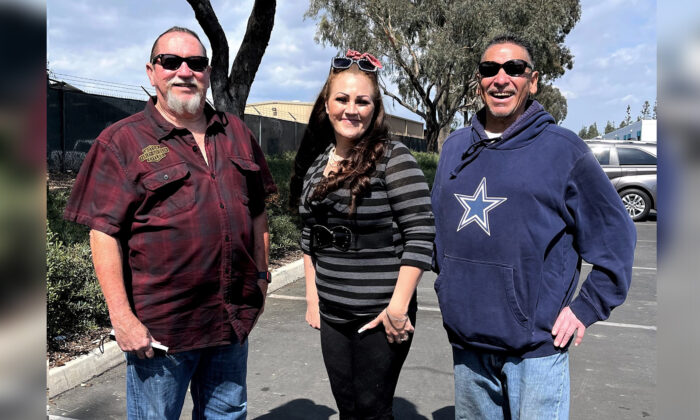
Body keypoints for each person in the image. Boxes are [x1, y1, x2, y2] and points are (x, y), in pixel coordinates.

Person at [64, 26, 276, 419]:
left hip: (229, 323)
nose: (184, 71)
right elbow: (103, 232)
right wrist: (123, 319)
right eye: (170, 62)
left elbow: (258, 210)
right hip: (161, 333)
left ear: (207, 73)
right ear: (151, 72)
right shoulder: (122, 142)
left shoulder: (238, 135)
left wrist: (262, 279)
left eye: (195, 63)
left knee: (228, 416)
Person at [431, 35, 637, 419]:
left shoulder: (564, 150)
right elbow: (436, 229)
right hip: (468, 345)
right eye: (490, 69)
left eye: (514, 68)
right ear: (479, 82)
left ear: (533, 80)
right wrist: (449, 290)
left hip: (536, 351)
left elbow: (616, 237)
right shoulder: (455, 147)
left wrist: (587, 306)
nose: (501, 78)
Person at [289, 50, 435, 420]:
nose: (351, 109)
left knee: (372, 410)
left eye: (362, 101)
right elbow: (309, 236)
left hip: (381, 314)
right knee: (349, 408)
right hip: (334, 314)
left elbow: (421, 233)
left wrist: (399, 308)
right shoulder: (318, 162)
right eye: (342, 99)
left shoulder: (394, 158)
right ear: (327, 102)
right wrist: (312, 299)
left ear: (374, 108)